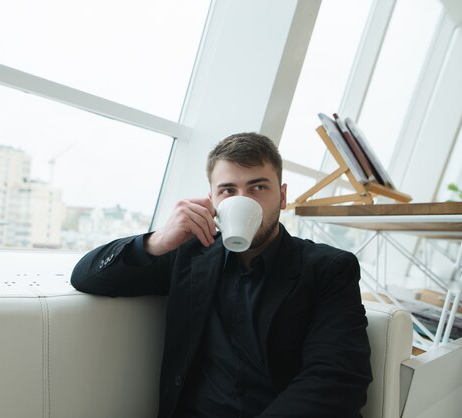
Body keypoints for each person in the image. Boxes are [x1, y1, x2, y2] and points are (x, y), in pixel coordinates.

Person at [71, 132, 372, 418]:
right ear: (213, 201)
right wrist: (157, 241)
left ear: (282, 196)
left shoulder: (329, 269)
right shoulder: (189, 256)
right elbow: (86, 276)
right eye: (228, 190)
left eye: (258, 187)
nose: (244, 200)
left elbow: (336, 378)